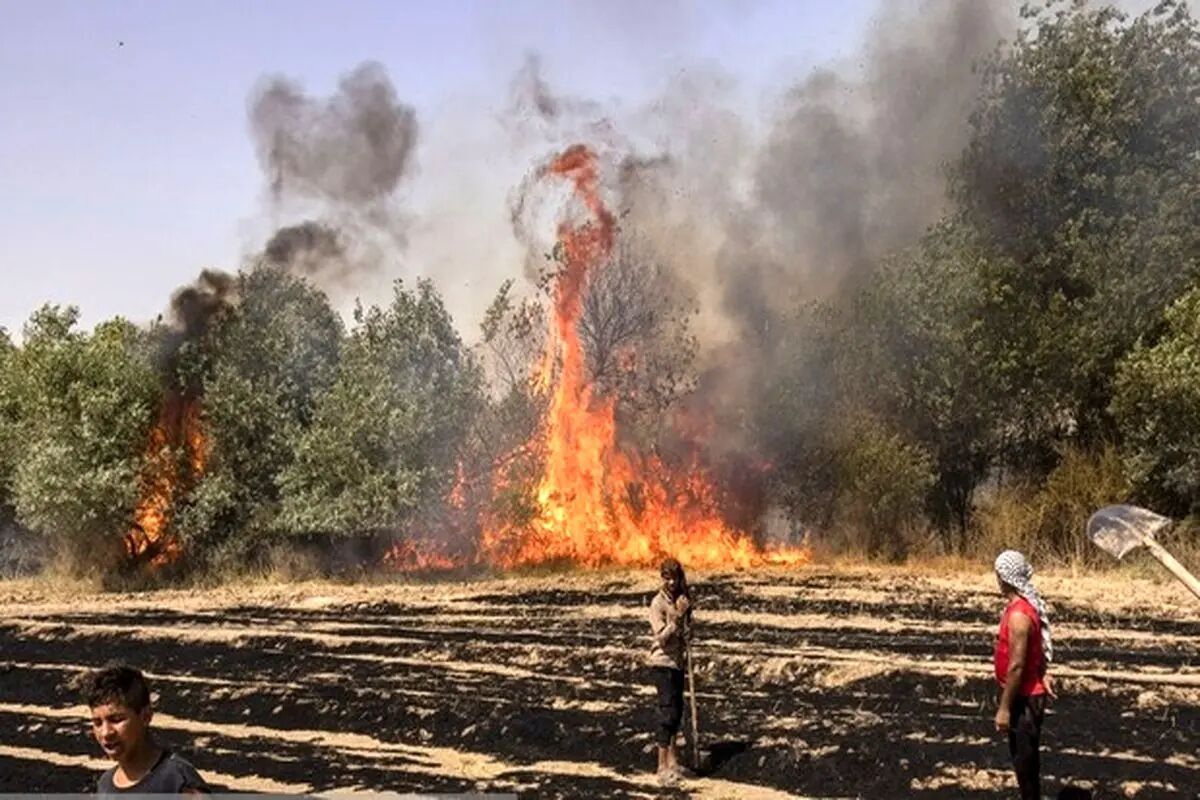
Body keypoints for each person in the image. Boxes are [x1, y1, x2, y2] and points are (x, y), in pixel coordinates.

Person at [82, 664, 210, 796]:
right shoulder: (105, 785)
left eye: (116, 719)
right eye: (97, 723)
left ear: (145, 716)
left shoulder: (177, 781)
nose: (106, 733)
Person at [993, 550, 1056, 800]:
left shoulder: (1019, 615)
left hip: (1024, 699)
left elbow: (1017, 666)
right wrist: (1043, 671)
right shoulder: (1019, 608)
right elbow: (1036, 648)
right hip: (1024, 694)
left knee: (1025, 765)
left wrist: (1005, 708)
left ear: (1004, 577)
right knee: (1024, 761)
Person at [648, 557, 692, 786]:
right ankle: (661, 766)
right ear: (662, 578)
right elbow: (662, 637)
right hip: (662, 663)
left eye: (675, 577)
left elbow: (686, 634)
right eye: (667, 578)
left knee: (677, 712)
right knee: (666, 714)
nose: (672, 582)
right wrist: (676, 617)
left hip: (677, 663)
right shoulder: (657, 603)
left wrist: (687, 620)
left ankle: (674, 762)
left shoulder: (682, 599)